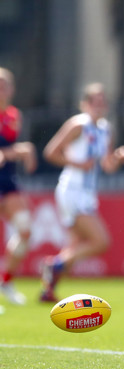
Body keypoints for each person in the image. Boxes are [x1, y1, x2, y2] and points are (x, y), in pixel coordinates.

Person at [39, 82, 124, 302]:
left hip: (87, 193)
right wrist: (77, 163)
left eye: (102, 101)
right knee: (101, 241)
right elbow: (51, 152)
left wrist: (118, 157)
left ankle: (48, 289)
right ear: (84, 104)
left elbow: (108, 166)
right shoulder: (78, 125)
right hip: (72, 190)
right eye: (94, 101)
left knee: (73, 245)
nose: (99, 105)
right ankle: (54, 265)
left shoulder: (105, 129)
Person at [0, 67, 37, 306]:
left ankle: (5, 281)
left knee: (24, 230)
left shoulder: (14, 115)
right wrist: (18, 151)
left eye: (5, 85)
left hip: (8, 182)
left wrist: (25, 151)